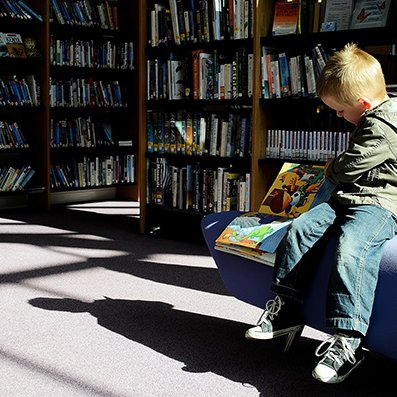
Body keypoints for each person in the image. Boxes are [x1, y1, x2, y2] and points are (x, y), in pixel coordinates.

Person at [245, 43, 397, 384]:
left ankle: (348, 341)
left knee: (352, 248)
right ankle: (287, 309)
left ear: (363, 103)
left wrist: (331, 168)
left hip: (379, 204)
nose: (339, 117)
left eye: (341, 112)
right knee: (300, 229)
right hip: (347, 198)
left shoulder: (387, 123)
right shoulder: (369, 116)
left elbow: (353, 163)